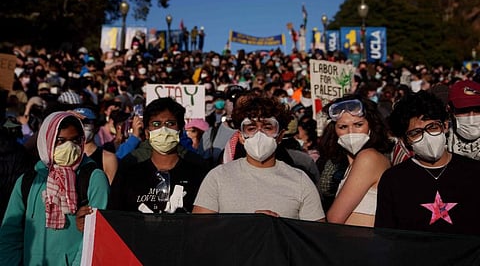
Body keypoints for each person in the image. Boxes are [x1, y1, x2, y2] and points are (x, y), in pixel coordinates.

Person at [0, 111, 109, 265]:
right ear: (47, 141)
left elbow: (95, 239)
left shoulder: (93, 178)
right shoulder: (28, 181)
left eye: (76, 140)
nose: (70, 147)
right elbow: (9, 235)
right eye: (60, 141)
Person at [193, 94, 325, 221]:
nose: (259, 134)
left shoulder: (300, 181)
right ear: (240, 136)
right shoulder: (218, 177)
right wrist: (247, 226)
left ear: (280, 136)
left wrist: (279, 228)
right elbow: (200, 232)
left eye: (268, 127)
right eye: (251, 128)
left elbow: (315, 236)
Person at [375, 91, 480, 235]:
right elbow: (386, 236)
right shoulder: (393, 180)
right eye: (416, 133)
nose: (427, 137)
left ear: (445, 126)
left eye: (432, 127)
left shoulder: (474, 172)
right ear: (406, 140)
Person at [108, 98, 208, 214]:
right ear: (146, 132)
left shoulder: (198, 172)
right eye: (156, 124)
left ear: (180, 131)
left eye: (170, 123)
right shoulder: (128, 173)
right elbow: (113, 217)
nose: (163, 129)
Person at [325, 95, 392, 227]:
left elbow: (334, 217)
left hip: (365, 244)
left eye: (358, 125)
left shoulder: (368, 158)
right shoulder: (351, 164)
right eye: (343, 127)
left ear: (372, 126)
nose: (351, 132)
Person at [73, 107, 118, 184]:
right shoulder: (63, 155)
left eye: (86, 122)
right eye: (76, 122)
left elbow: (108, 192)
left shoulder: (107, 159)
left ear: (96, 127)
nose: (81, 126)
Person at [446, 79, 480, 160]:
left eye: (478, 110)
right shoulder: (441, 143)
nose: (471, 117)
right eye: (464, 110)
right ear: (450, 110)